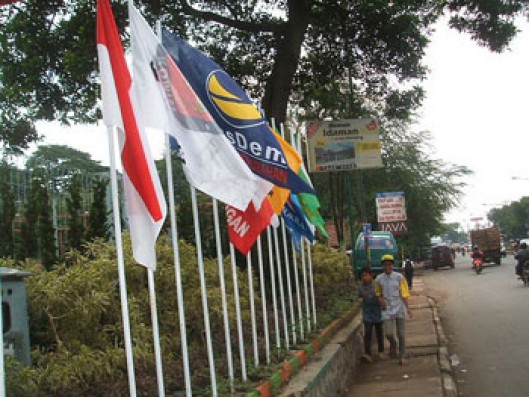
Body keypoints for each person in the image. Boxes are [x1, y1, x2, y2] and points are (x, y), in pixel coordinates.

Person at [375, 254, 412, 365]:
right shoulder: (379, 279)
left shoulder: (399, 277)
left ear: (392, 265)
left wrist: (408, 308)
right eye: (385, 265)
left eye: (389, 265)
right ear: (382, 266)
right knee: (389, 333)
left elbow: (405, 293)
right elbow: (377, 293)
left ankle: (402, 356)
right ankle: (393, 343)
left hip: (399, 306)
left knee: (401, 334)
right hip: (387, 308)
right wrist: (380, 300)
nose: (387, 267)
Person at [358, 266, 384, 363]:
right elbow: (359, 297)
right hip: (367, 312)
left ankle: (381, 351)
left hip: (377, 310)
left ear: (371, 275)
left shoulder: (376, 285)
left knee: (379, 332)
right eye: (362, 276)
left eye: (366, 275)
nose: (364, 278)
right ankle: (367, 354)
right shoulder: (360, 287)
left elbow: (381, 296)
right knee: (367, 333)